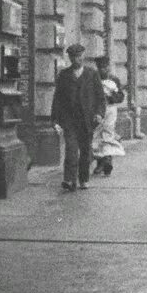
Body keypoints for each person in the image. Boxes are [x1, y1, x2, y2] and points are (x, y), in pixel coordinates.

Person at [51, 43, 105, 191]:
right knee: (71, 150)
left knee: (85, 152)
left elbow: (100, 98)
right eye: (73, 57)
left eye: (79, 57)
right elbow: (58, 98)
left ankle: (83, 178)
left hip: (87, 120)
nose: (76, 60)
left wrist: (99, 114)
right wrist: (55, 119)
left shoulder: (91, 74)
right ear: (69, 58)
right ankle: (69, 180)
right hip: (69, 120)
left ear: (83, 56)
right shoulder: (64, 75)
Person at [91, 55, 126, 175]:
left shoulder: (114, 80)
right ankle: (100, 161)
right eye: (101, 68)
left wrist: (111, 96)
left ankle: (108, 161)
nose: (104, 70)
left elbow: (121, 96)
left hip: (110, 109)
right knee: (96, 134)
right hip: (96, 110)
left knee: (108, 133)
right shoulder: (93, 79)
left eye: (106, 67)